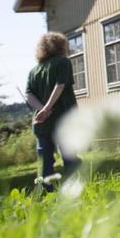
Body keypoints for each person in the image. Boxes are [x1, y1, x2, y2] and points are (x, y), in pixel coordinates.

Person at [26, 32, 81, 191]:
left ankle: (48, 193)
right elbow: (60, 85)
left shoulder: (34, 71)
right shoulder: (63, 62)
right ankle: (75, 189)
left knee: (45, 161)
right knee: (69, 156)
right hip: (64, 118)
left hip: (42, 123)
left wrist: (41, 110)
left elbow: (28, 95)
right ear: (61, 46)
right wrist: (47, 108)